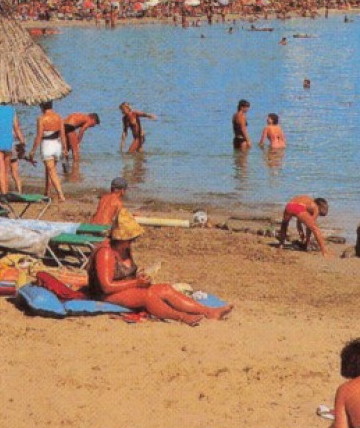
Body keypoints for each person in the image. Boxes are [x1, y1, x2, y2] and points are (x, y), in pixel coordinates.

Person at [88, 211, 232, 326]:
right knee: (147, 296)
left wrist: (140, 276)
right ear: (122, 238)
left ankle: (209, 311)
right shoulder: (106, 253)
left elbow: (126, 274)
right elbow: (106, 286)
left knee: (165, 289)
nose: (133, 241)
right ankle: (181, 317)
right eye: (131, 238)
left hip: (124, 288)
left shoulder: (125, 248)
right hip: (104, 295)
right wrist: (136, 283)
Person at [32, 100, 66, 202]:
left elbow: (39, 136)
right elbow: (63, 135)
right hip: (57, 145)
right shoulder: (59, 117)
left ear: (42, 106)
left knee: (52, 171)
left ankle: (60, 194)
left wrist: (33, 150)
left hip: (47, 145)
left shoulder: (41, 118)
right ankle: (47, 192)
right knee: (50, 170)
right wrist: (64, 148)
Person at [0, 103, 23, 195]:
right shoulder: (12, 110)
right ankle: (4, 192)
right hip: (9, 142)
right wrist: (22, 141)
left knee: (0, 170)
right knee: (6, 171)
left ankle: (3, 194)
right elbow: (16, 128)